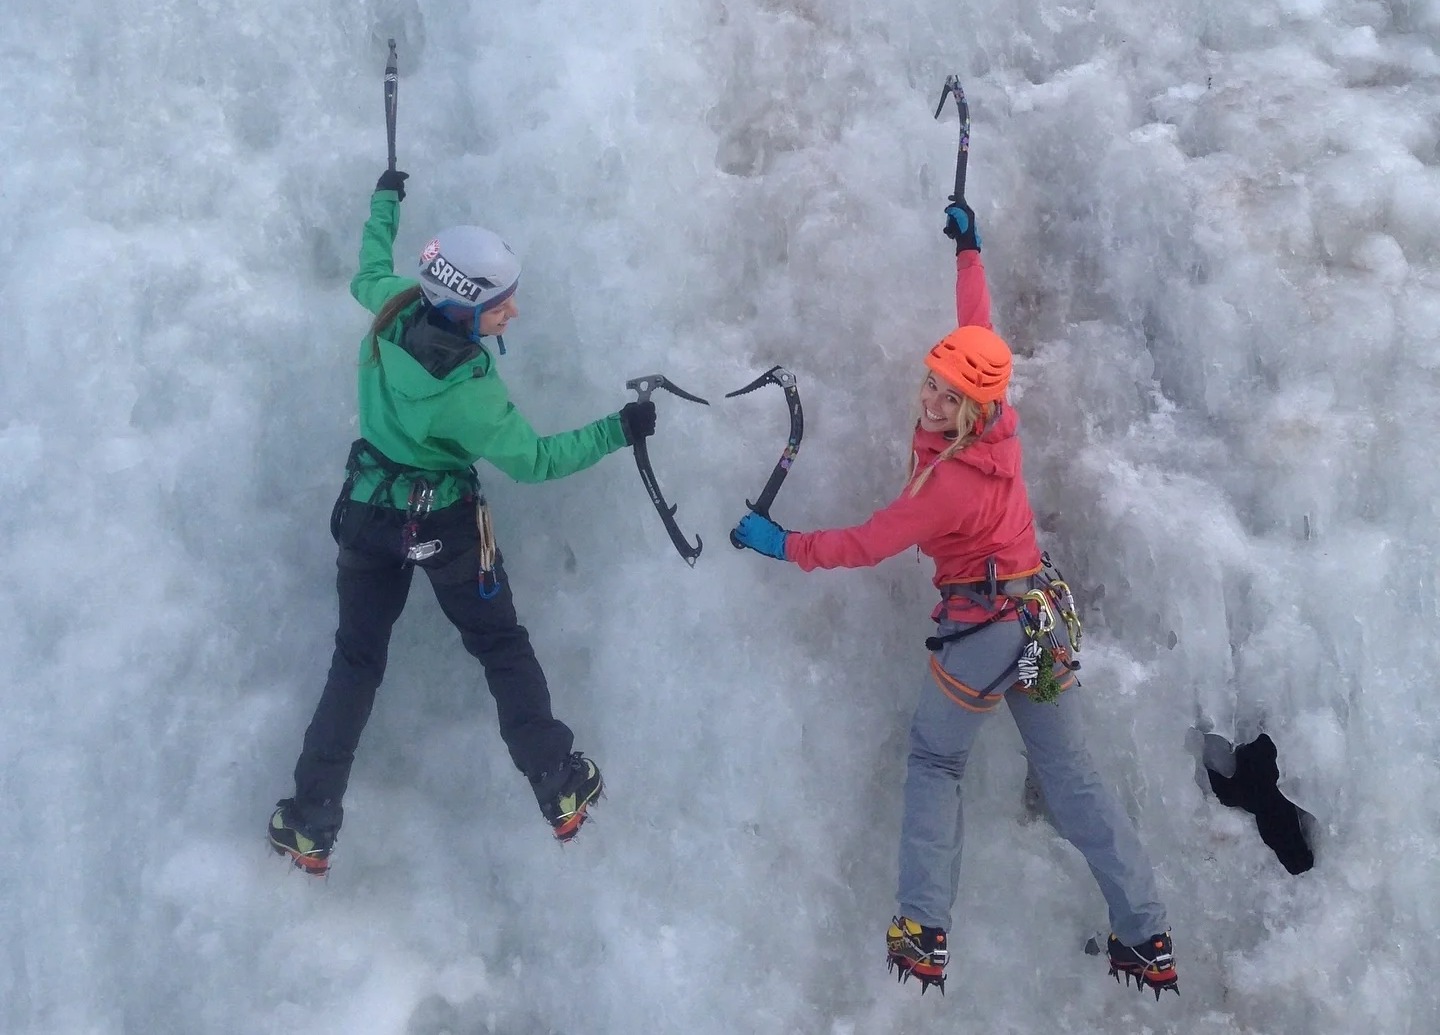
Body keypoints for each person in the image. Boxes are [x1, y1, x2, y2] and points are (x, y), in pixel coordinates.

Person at [731, 179, 1177, 998]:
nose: (929, 399)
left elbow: (865, 543)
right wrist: (969, 247)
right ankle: (1146, 934)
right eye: (931, 383)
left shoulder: (945, 486)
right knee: (1072, 778)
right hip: (1037, 617)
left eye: (946, 396)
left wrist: (780, 544)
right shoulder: (997, 417)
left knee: (937, 759)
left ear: (975, 410)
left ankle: (922, 930)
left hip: (983, 634)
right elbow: (979, 320)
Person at [269, 168, 654, 876]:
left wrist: (385, 200)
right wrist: (619, 430)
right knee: (500, 646)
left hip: (368, 512)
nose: (513, 315)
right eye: (502, 306)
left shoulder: (394, 306)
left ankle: (309, 818)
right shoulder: (468, 392)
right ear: (467, 307)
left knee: (355, 663)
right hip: (443, 526)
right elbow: (535, 461)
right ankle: (558, 784)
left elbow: (368, 272)